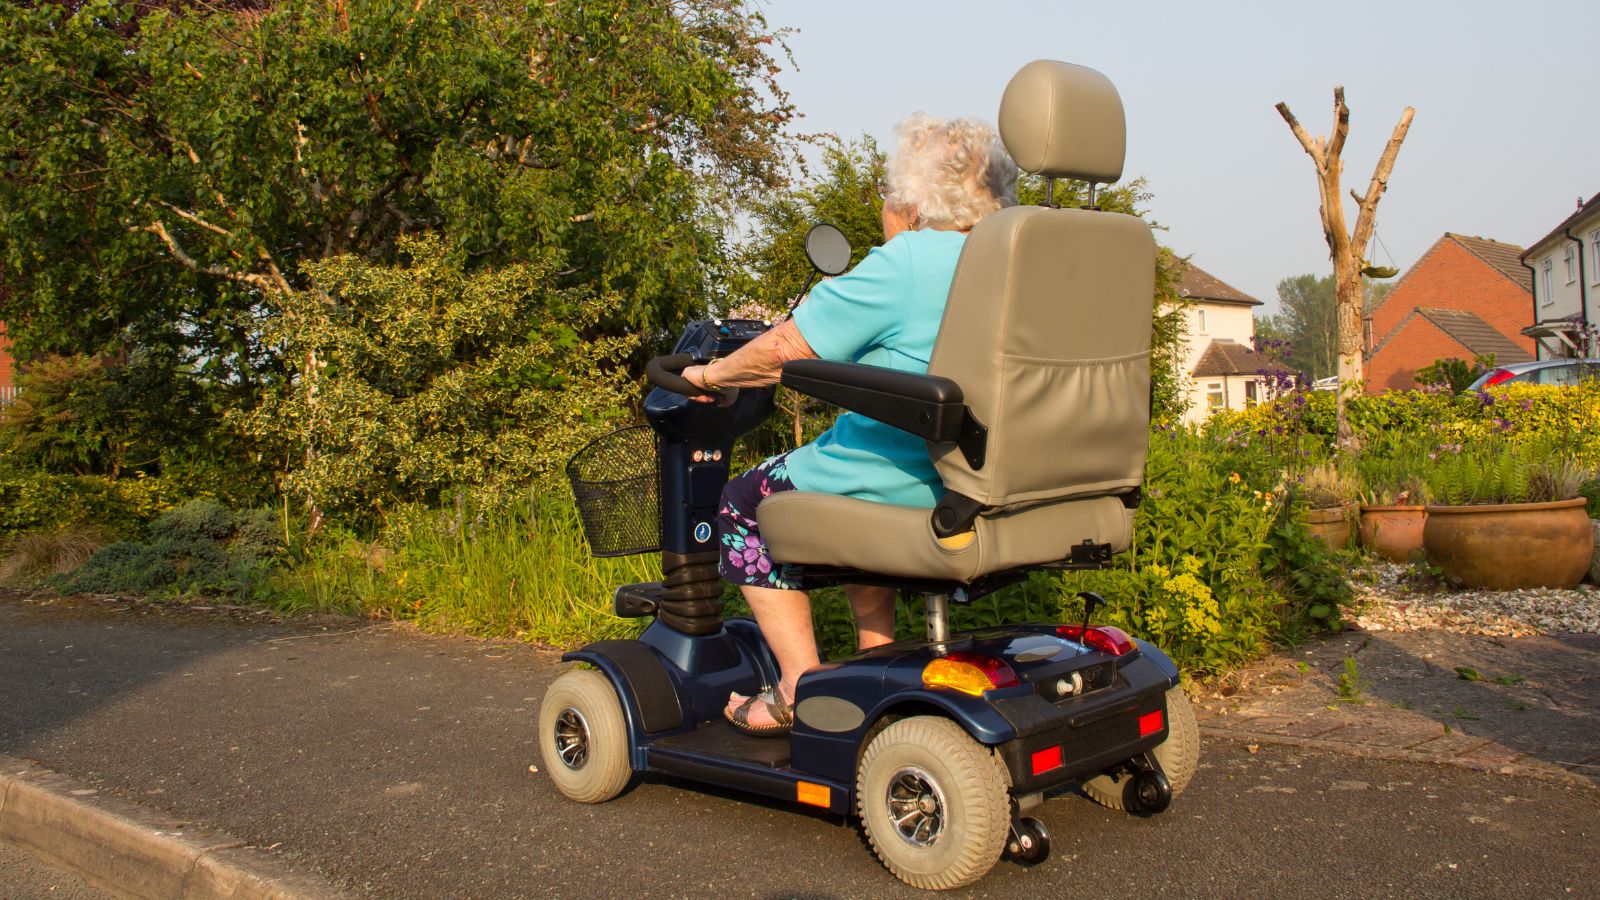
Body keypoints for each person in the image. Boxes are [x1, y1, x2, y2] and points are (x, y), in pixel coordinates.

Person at [682, 113, 1018, 736]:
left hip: (917, 476)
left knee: (740, 504)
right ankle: (874, 662)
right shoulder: (1032, 258)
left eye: (891, 196)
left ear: (915, 203)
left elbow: (785, 349)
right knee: (851, 475)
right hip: (1014, 480)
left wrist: (709, 378)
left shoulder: (912, 258)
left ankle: (798, 691)